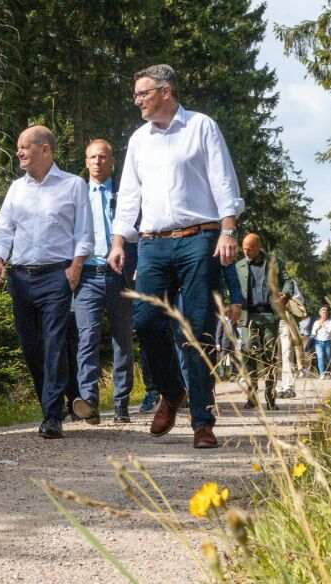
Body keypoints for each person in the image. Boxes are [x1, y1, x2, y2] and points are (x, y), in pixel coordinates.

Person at [107, 64, 244, 449]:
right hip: (152, 242)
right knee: (146, 320)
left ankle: (203, 421)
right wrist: (118, 242)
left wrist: (228, 229)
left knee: (198, 329)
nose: (137, 101)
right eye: (136, 95)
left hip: (200, 238)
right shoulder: (138, 140)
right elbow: (129, 194)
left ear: (165, 91)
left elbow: (223, 179)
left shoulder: (201, 126)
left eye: (143, 93)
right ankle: (172, 391)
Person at [0, 126, 93, 439]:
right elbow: (4, 228)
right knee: (31, 348)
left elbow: (84, 231)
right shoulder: (16, 189)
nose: (19, 152)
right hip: (21, 277)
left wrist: (76, 266)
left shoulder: (73, 185)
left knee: (54, 343)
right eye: (18, 147)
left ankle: (51, 416)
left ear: (45, 149)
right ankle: (55, 402)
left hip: (56, 276)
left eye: (25, 147)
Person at [71, 139, 136, 425]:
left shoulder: (125, 195)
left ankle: (121, 404)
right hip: (87, 275)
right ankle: (89, 402)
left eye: (102, 157)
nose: (97, 161)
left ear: (112, 161)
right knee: (87, 339)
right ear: (86, 162)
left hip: (120, 275)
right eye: (92, 157)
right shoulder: (77, 195)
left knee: (123, 340)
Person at [231, 233, 304, 408]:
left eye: (250, 249)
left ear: (258, 247)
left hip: (270, 315)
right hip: (247, 317)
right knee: (248, 354)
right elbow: (231, 287)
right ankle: (252, 397)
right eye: (244, 249)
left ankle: (270, 398)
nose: (246, 252)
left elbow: (288, 281)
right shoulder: (239, 266)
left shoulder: (274, 262)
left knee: (270, 356)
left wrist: (285, 294)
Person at [312, 305, 331, 376]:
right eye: (323, 312)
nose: (324, 313)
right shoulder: (316, 322)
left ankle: (328, 371)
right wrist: (318, 327)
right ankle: (322, 374)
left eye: (325, 312)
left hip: (328, 341)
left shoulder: (330, 321)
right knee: (320, 357)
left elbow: (330, 331)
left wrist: (323, 325)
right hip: (318, 342)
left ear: (327, 313)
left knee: (328, 357)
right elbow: (313, 333)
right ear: (320, 313)